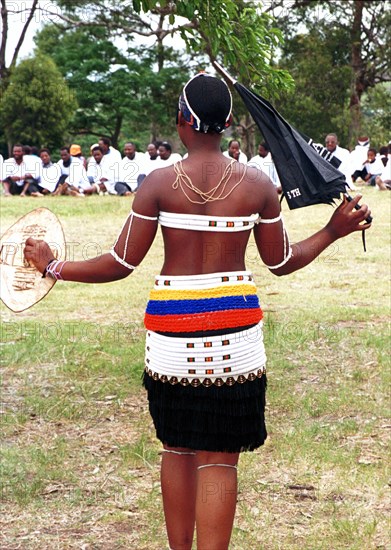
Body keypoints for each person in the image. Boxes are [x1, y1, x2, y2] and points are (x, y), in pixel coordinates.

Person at [24, 73, 371, 550]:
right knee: (219, 460)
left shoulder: (159, 184)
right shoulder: (256, 185)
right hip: (235, 339)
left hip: (171, 337)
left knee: (177, 449)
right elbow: (281, 262)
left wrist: (54, 266)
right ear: (227, 124)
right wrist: (333, 230)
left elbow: (121, 263)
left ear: (183, 122)